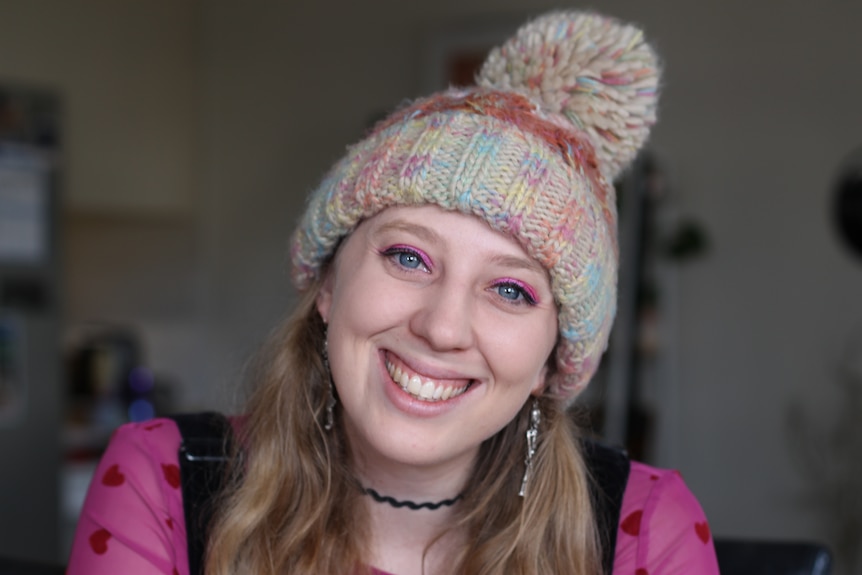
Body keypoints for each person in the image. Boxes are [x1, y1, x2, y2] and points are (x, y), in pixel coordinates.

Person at [67, 10, 720, 575]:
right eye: (408, 257)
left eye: (511, 290)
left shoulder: (642, 527)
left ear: (552, 360)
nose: (442, 326)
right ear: (329, 283)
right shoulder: (163, 479)